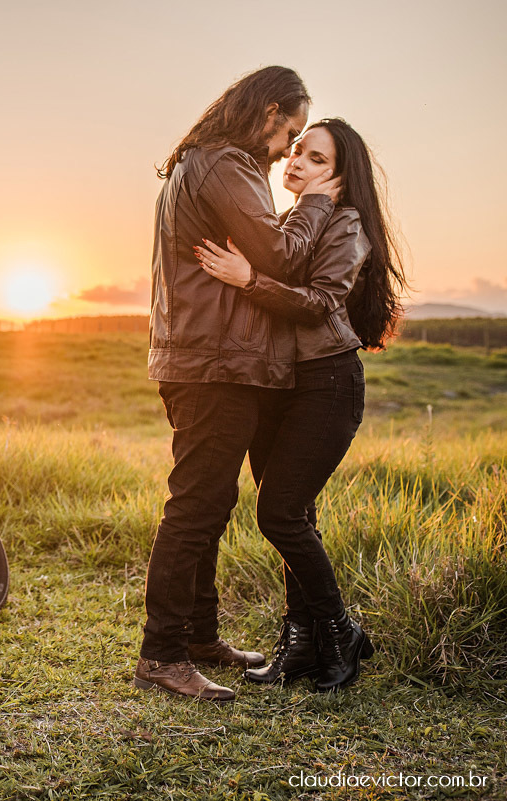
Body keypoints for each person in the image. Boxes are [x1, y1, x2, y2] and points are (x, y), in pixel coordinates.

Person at [137, 66, 341, 703]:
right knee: (196, 507)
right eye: (291, 132)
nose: (287, 148)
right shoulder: (227, 165)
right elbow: (281, 256)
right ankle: (161, 654)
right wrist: (315, 201)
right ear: (269, 111)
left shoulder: (199, 163)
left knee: (210, 503)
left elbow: (260, 255)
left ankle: (198, 638)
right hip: (214, 363)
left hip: (197, 356)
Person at [195, 118, 406, 691]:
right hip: (276, 386)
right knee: (296, 514)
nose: (296, 163)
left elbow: (316, 305)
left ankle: (340, 633)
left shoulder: (346, 225)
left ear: (339, 177)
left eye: (316, 159)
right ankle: (300, 641)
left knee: (279, 513)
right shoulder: (286, 224)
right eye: (296, 152)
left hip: (326, 382)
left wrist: (246, 278)